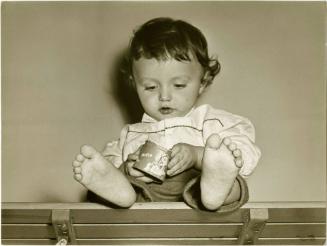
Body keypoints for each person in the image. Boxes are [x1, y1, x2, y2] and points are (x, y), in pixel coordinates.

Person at [72, 17, 261, 212]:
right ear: (134, 84)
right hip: (145, 199)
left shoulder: (212, 122)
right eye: (150, 87)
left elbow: (244, 156)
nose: (164, 96)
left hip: (197, 195)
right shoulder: (130, 134)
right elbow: (105, 165)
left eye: (178, 85)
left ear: (202, 82)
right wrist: (127, 168)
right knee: (113, 180)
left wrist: (198, 156)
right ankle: (122, 192)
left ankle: (214, 190)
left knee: (234, 184)